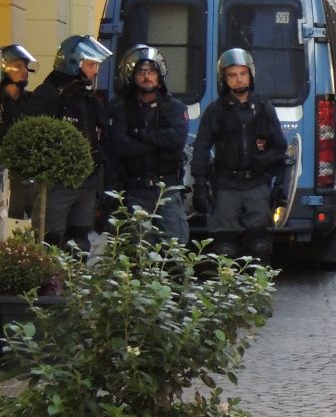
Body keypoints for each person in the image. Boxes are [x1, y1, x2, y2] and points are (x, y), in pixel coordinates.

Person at [191, 48, 287, 262]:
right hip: (225, 185)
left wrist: (278, 182)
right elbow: (201, 147)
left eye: (242, 74)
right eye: (232, 75)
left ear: (251, 74)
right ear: (223, 79)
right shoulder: (215, 111)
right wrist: (199, 184)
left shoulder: (263, 108)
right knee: (225, 249)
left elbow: (280, 147)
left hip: (257, 184)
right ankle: (226, 294)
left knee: (260, 246)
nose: (238, 79)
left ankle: (256, 293)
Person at [26, 35, 112, 250]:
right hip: (57, 184)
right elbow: (33, 138)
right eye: (92, 64)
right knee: (50, 242)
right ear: (74, 63)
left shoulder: (87, 97)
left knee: (80, 243)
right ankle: (50, 284)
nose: (96, 71)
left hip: (87, 182)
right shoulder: (48, 95)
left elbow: (102, 136)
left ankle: (74, 282)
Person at [107, 45, 190, 243]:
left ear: (159, 74)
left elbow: (177, 140)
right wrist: (159, 141)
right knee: (138, 252)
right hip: (135, 191)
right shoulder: (120, 109)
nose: (147, 77)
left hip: (167, 190)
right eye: (141, 72)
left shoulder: (175, 107)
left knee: (175, 249)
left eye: (152, 71)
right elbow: (121, 147)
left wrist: (139, 134)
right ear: (131, 75)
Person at [0, 45, 37, 220]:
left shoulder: (33, 101)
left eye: (25, 66)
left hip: (26, 174)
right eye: (17, 66)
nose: (24, 70)